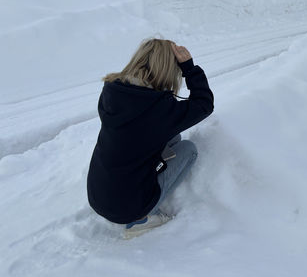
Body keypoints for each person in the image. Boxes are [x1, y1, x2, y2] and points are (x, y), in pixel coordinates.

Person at [87, 39, 214, 238]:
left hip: (98, 195)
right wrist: (188, 67)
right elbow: (204, 104)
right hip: (128, 209)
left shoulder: (112, 91)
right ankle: (142, 220)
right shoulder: (160, 109)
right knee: (188, 149)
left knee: (173, 137)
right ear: (167, 68)